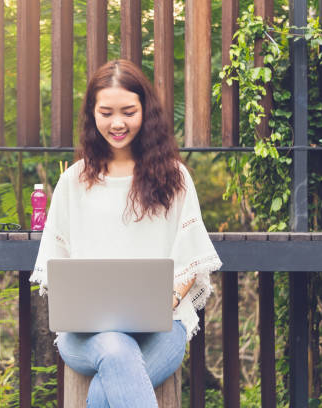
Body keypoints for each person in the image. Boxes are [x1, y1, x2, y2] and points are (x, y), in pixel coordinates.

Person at [30, 59, 222, 407]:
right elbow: (54, 266)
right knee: (115, 345)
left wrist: (172, 298)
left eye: (128, 111)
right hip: (84, 337)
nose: (117, 123)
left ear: (145, 112)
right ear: (92, 115)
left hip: (163, 328)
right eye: (106, 112)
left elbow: (192, 259)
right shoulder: (73, 181)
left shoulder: (174, 178)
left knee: (107, 389)